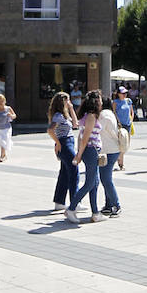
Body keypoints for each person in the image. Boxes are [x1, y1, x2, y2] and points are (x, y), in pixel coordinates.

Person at [67, 89, 104, 222]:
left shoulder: (88, 116)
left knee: (95, 182)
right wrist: (79, 154)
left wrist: (79, 152)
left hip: (90, 150)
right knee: (89, 183)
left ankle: (95, 212)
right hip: (91, 150)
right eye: (99, 99)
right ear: (95, 101)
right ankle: (71, 208)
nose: (101, 102)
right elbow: (85, 137)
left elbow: (81, 136)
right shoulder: (91, 116)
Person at [47, 91, 79, 211]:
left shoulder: (64, 115)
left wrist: (71, 108)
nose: (69, 102)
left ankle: (59, 202)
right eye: (68, 100)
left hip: (69, 142)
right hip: (65, 144)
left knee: (64, 173)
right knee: (74, 171)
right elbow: (50, 130)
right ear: (62, 102)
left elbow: (75, 124)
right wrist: (58, 142)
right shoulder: (58, 116)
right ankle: (75, 202)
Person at [98, 96, 122, 217]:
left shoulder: (103, 115)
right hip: (112, 149)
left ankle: (116, 205)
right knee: (106, 178)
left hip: (108, 150)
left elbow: (96, 129)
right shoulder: (110, 113)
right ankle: (108, 205)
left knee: (106, 179)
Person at [0, 92, 16, 161]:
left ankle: (2, 156)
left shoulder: (8, 108)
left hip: (7, 129)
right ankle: (4, 156)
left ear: (5, 101)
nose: (0, 103)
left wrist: (11, 115)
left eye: (2, 101)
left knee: (4, 142)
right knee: (2, 142)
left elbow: (14, 116)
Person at [114, 86, 133, 169]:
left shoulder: (128, 101)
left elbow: (131, 111)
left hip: (127, 124)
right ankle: (120, 162)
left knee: (126, 144)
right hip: (120, 125)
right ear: (118, 94)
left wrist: (131, 120)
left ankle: (120, 159)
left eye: (125, 93)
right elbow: (114, 112)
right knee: (120, 142)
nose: (124, 95)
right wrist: (117, 122)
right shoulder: (115, 102)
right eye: (122, 93)